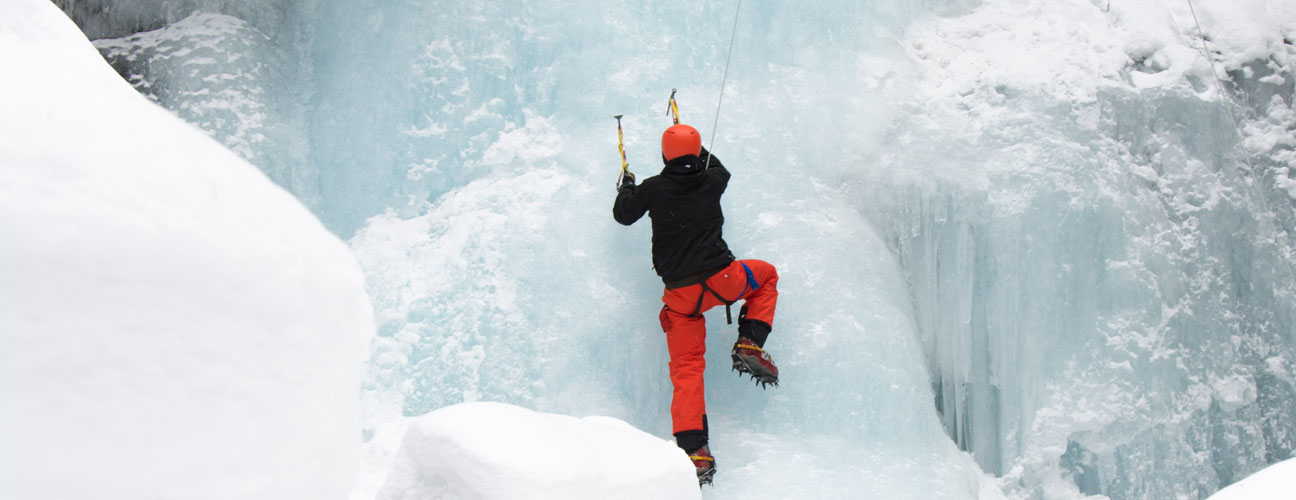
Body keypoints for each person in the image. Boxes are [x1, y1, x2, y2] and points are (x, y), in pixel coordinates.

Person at [612, 123, 781, 486]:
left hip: (681, 296)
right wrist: (700, 152)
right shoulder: (712, 180)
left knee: (687, 369)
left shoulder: (654, 188)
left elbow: (624, 214)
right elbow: (720, 167)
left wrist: (627, 187)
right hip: (724, 281)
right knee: (765, 276)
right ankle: (750, 340)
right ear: (697, 153)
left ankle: (696, 452)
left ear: (664, 156)